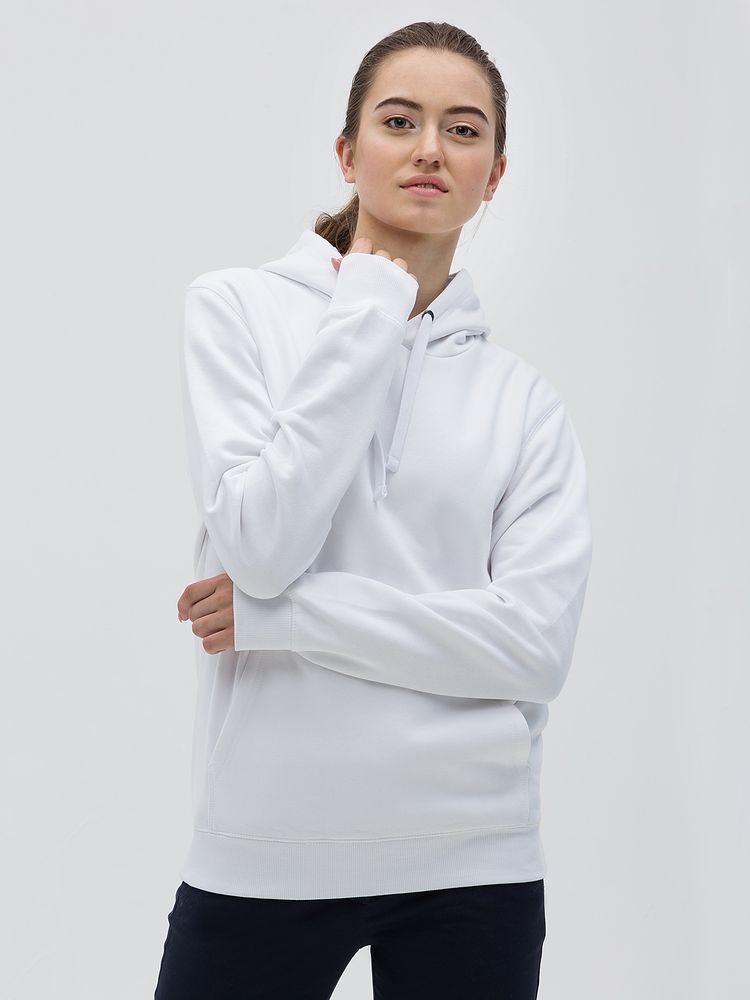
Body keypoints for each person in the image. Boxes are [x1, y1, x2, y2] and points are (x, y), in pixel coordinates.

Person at [154, 19, 593, 1000]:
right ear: (348, 153)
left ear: (494, 174)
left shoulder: (523, 402)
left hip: (476, 863)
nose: (431, 148)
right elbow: (263, 544)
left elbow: (533, 650)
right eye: (400, 121)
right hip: (265, 850)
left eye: (463, 129)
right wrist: (368, 304)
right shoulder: (236, 311)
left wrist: (286, 618)